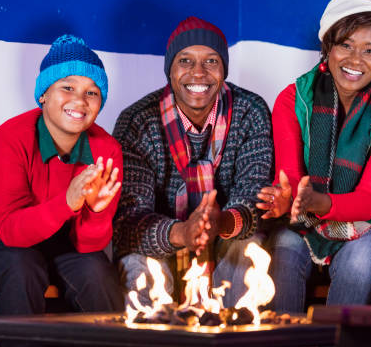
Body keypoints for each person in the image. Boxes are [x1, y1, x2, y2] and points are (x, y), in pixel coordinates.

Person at [257, 0, 371, 312]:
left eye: (369, 50)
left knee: (358, 263)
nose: (355, 59)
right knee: (283, 250)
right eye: (345, 45)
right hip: (309, 218)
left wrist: (315, 202)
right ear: (328, 47)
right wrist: (285, 197)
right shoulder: (293, 99)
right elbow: (290, 178)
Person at [113, 17, 273, 307]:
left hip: (227, 233)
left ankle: (237, 338)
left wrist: (219, 222)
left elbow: (255, 196)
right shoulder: (137, 122)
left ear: (223, 69)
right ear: (170, 72)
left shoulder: (251, 111)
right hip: (162, 239)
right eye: (185, 61)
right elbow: (128, 221)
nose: (198, 73)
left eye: (211, 61)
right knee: (137, 264)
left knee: (247, 250)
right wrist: (184, 232)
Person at [0, 35, 124, 315]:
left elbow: (88, 245)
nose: (79, 100)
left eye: (92, 92)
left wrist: (96, 213)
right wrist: (69, 202)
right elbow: (11, 231)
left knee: (97, 273)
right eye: (68, 87)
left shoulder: (106, 149)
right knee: (21, 267)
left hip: (56, 231)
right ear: (43, 95)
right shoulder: (8, 140)